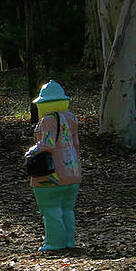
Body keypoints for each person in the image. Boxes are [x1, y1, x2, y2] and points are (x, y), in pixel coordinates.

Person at [25, 80, 81, 253]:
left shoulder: (48, 119)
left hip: (51, 172)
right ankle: (68, 240)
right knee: (67, 209)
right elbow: (76, 144)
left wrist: (30, 152)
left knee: (51, 209)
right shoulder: (71, 118)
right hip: (72, 170)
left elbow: (47, 144)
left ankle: (55, 242)